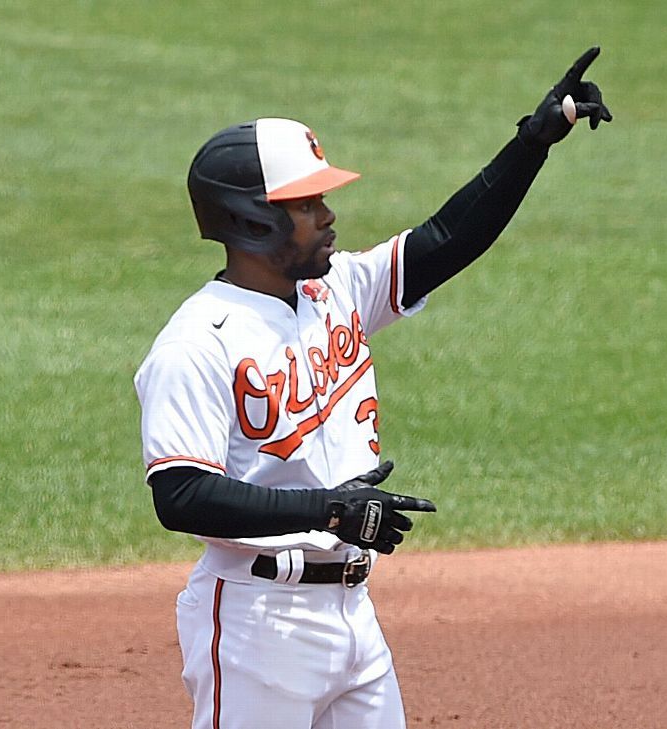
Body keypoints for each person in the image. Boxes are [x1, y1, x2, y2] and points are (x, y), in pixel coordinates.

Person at [134, 48, 611, 729]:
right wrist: (331, 511)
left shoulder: (336, 291)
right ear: (251, 220)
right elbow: (181, 494)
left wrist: (532, 142)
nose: (329, 215)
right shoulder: (197, 343)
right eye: (307, 204)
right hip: (255, 621)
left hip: (353, 613)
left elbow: (445, 240)